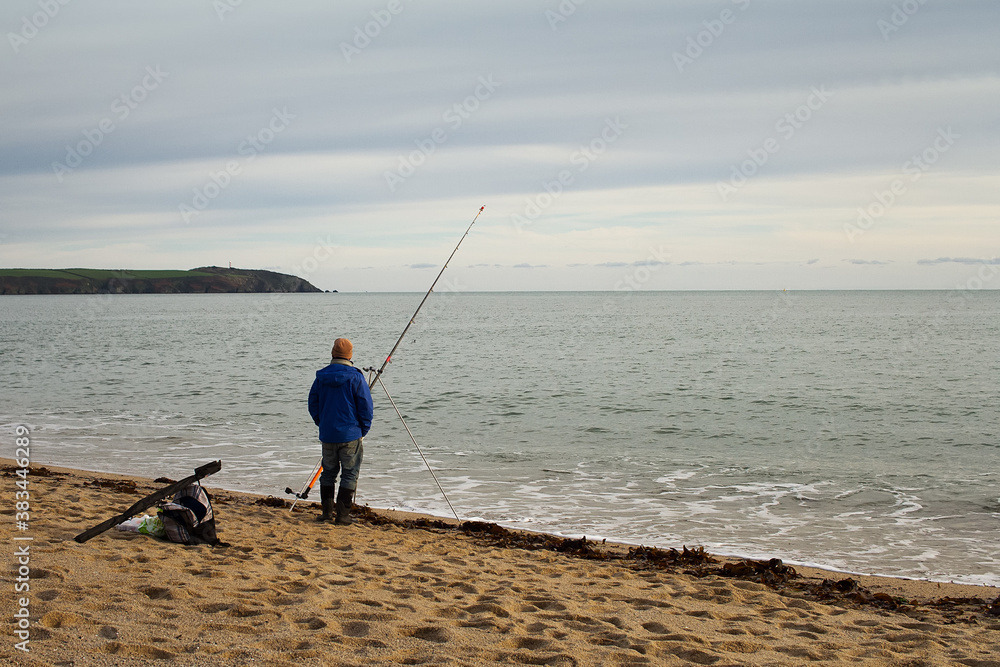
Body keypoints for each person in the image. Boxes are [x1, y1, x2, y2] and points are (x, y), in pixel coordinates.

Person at [307, 337, 373, 525]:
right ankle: (342, 516)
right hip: (350, 434)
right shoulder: (356, 377)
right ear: (350, 356)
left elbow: (313, 404)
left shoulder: (321, 377)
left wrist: (322, 422)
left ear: (333, 354)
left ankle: (327, 513)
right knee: (350, 473)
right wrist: (363, 429)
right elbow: (366, 407)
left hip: (328, 434)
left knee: (328, 472)